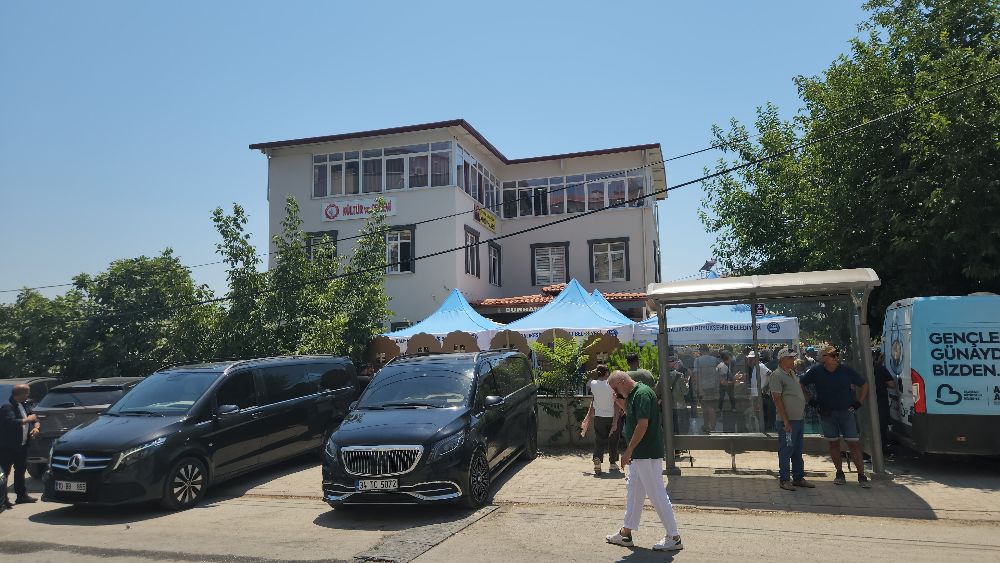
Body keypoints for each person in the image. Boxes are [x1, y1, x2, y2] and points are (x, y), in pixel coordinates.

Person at [605, 372, 683, 552]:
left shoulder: (641, 394)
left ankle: (674, 537)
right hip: (641, 454)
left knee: (656, 493)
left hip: (646, 453)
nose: (615, 393)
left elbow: (642, 425)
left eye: (615, 388)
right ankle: (626, 532)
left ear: (622, 381)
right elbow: (635, 416)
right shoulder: (635, 394)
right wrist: (621, 403)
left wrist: (628, 450)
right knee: (634, 491)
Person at [800, 346, 872, 488]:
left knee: (853, 443)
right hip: (826, 413)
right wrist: (811, 401)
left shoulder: (846, 370)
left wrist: (859, 402)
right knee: (833, 443)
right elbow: (801, 383)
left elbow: (864, 384)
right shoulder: (816, 371)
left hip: (846, 412)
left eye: (835, 355)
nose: (835, 357)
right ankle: (839, 473)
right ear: (825, 358)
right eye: (831, 355)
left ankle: (861, 475)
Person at [770, 349, 815, 491]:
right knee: (786, 450)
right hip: (788, 422)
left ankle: (798, 478)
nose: (793, 360)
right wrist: (785, 421)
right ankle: (784, 480)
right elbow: (777, 399)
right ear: (782, 359)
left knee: (797, 450)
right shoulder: (776, 375)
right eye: (790, 358)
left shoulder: (792, 373)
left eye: (793, 358)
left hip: (798, 419)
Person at [1, 384, 40, 508]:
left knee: (21, 470)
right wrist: (28, 420)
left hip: (22, 445)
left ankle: (21, 496)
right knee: (4, 473)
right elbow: (11, 422)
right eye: (27, 393)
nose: (28, 395)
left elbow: (34, 418)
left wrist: (36, 427)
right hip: (7, 446)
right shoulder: (7, 406)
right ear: (20, 394)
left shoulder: (24, 404)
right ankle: (3, 499)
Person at [581, 365, 622, 474]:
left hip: (599, 417)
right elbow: (616, 402)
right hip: (612, 417)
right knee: (614, 440)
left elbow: (594, 400)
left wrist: (588, 416)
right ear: (607, 373)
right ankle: (612, 463)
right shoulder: (612, 385)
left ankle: (597, 459)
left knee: (599, 440)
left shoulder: (592, 384)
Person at [871, 349, 897, 453]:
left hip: (865, 401)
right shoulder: (880, 369)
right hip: (880, 401)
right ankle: (882, 448)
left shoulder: (860, 369)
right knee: (881, 425)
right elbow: (892, 384)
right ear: (874, 357)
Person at [692, 345, 720, 433]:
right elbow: (718, 373)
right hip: (713, 386)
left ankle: (707, 426)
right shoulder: (715, 360)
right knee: (712, 407)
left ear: (701, 351)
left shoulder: (697, 360)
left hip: (702, 387)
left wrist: (699, 388)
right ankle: (712, 428)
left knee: (705, 408)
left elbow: (696, 375)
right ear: (708, 351)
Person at [747, 351, 774, 424]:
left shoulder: (761, 366)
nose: (749, 360)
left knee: (762, 414)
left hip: (761, 395)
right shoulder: (755, 367)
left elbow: (771, 374)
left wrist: (767, 386)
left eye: (751, 358)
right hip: (756, 395)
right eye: (749, 358)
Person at [666, 356, 690, 434]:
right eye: (677, 363)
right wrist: (687, 383)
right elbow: (685, 391)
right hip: (679, 405)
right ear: (674, 364)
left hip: (668, 406)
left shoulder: (663, 375)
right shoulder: (679, 375)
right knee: (682, 427)